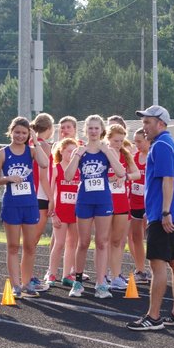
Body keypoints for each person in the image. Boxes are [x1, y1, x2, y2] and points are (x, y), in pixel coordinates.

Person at [128, 106, 174, 331]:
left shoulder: (161, 145)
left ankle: (153, 317)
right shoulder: (169, 144)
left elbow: (167, 180)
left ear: (160, 123)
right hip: (170, 212)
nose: (144, 126)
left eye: (148, 122)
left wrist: (164, 212)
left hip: (163, 216)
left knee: (158, 264)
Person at [63, 115, 125, 299]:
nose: (93, 131)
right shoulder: (80, 151)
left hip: (103, 200)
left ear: (102, 130)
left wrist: (107, 151)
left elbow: (121, 172)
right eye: (90, 128)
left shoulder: (107, 150)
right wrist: (77, 155)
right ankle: (78, 282)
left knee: (102, 242)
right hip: (84, 200)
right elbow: (68, 176)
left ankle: (101, 284)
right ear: (86, 130)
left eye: (96, 128)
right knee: (83, 242)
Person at [0, 117, 51, 298]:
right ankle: (15, 285)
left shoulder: (31, 151)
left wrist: (35, 141)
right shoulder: (2, 153)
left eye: (24, 133)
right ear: (11, 132)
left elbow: (45, 163)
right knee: (13, 246)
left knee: (30, 246)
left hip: (30, 204)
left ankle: (26, 283)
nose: (20, 136)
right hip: (12, 204)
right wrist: (8, 178)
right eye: (17, 132)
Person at [104, 123, 139, 291]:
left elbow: (137, 173)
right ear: (108, 139)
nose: (118, 144)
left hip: (121, 201)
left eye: (121, 140)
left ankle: (116, 276)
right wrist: (109, 179)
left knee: (117, 241)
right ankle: (103, 275)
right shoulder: (103, 153)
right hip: (105, 200)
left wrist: (125, 177)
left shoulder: (125, 154)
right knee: (103, 240)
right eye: (115, 141)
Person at [45, 137, 81, 287]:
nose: (71, 154)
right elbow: (50, 193)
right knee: (59, 243)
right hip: (60, 211)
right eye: (68, 151)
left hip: (76, 212)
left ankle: (67, 275)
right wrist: (53, 214)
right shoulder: (56, 169)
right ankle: (52, 273)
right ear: (61, 151)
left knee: (72, 244)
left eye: (74, 151)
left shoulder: (78, 170)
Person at [26, 113, 55, 292]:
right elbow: (43, 176)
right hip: (40, 195)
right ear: (50, 128)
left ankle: (27, 276)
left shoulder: (30, 142)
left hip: (32, 194)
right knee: (32, 241)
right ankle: (27, 277)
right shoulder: (42, 145)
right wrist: (52, 198)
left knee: (31, 241)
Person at [127, 128, 150, 285]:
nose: (137, 145)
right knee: (136, 237)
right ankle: (140, 270)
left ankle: (155, 268)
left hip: (149, 204)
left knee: (151, 238)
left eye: (140, 141)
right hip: (134, 203)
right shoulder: (133, 158)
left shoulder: (153, 157)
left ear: (148, 140)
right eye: (135, 142)